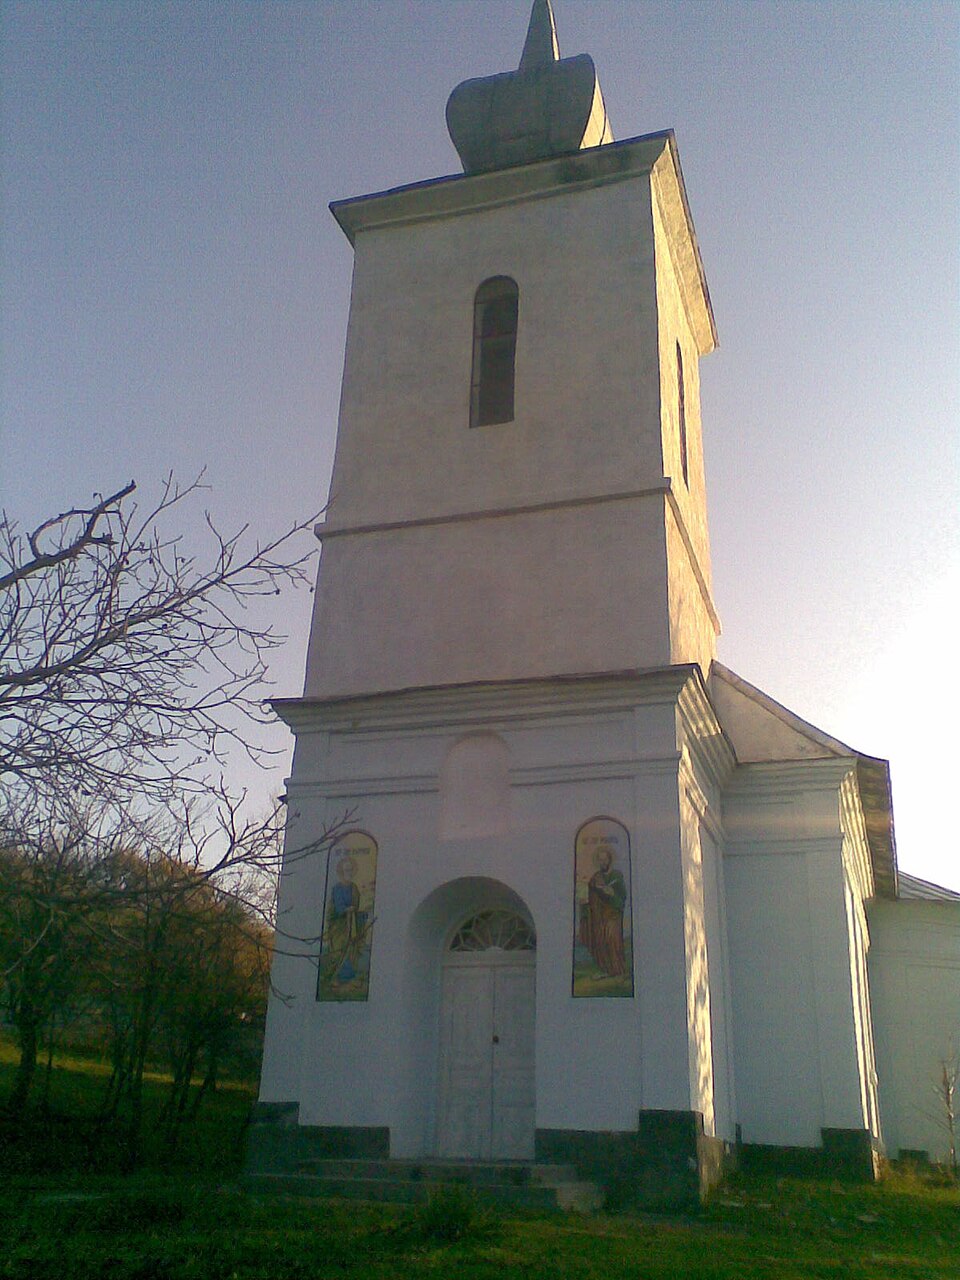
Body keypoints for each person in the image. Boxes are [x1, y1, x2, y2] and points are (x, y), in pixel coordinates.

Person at [583, 846, 627, 977]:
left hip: (613, 915)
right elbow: (591, 893)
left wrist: (612, 893)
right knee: (601, 940)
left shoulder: (617, 876)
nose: (602, 862)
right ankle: (605, 969)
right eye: (600, 860)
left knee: (612, 939)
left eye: (605, 859)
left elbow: (622, 897)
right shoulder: (596, 877)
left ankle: (617, 969)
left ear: (609, 860)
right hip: (600, 916)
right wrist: (594, 888)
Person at [325, 855, 368, 986]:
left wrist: (355, 911)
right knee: (339, 948)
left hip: (352, 922)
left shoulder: (354, 887)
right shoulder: (337, 888)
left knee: (351, 948)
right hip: (339, 924)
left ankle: (349, 977)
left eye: (350, 870)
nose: (348, 872)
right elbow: (337, 906)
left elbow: (356, 903)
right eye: (346, 870)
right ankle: (335, 977)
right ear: (342, 871)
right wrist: (346, 909)